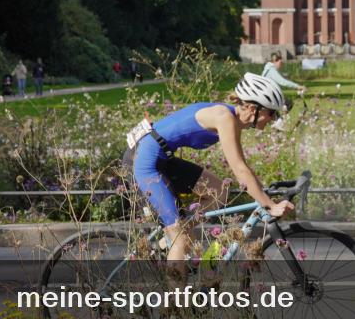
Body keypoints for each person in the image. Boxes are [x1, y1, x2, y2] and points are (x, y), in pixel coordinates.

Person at [126, 73, 294, 264]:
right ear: (254, 108)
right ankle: (177, 288)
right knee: (181, 239)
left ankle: (171, 238)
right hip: (144, 161)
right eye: (272, 113)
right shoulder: (225, 118)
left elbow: (243, 166)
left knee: (219, 190)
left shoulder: (232, 119)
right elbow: (239, 169)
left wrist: (264, 194)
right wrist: (270, 205)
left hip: (160, 156)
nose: (273, 119)